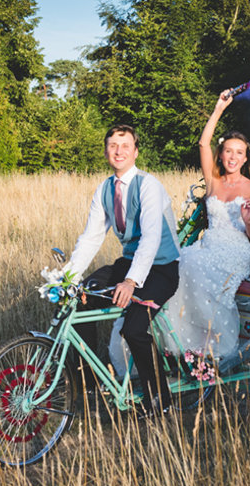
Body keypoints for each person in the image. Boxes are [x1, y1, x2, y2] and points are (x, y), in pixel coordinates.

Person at [60, 124, 181, 417]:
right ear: (105, 151)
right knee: (78, 299)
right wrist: (69, 278)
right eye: (113, 145)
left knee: (134, 328)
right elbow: (91, 237)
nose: (119, 150)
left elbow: (151, 238)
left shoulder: (149, 185)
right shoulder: (104, 189)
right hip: (129, 264)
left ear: (136, 151)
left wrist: (130, 282)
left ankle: (159, 399)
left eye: (125, 145)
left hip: (161, 268)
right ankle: (89, 386)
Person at [158, 90, 250, 366]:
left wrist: (249, 217)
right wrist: (218, 109)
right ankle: (183, 345)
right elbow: (203, 144)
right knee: (179, 263)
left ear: (245, 158)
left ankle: (210, 347)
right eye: (228, 150)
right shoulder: (214, 182)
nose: (233, 156)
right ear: (222, 153)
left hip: (236, 250)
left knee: (195, 266)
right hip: (208, 244)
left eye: (239, 153)